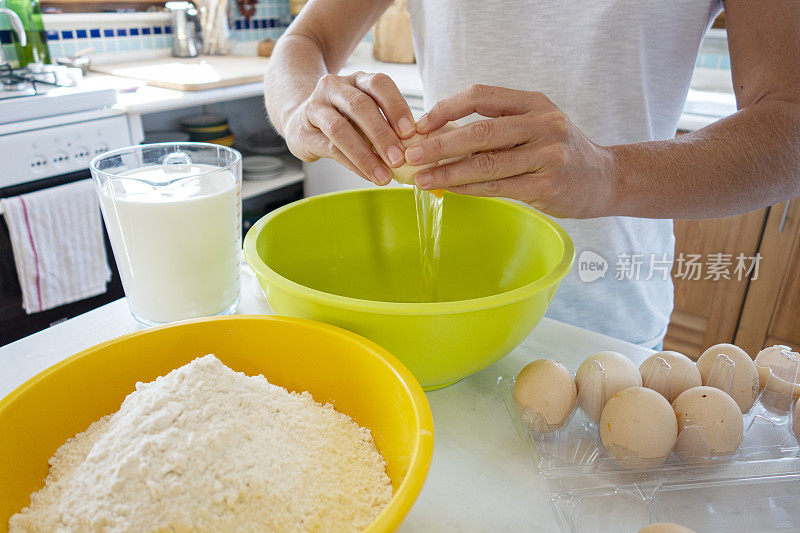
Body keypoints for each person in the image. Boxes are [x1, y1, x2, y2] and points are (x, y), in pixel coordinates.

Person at [264, 0, 800, 349]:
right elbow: (304, 41)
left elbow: (790, 122)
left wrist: (609, 173)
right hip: (439, 322)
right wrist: (298, 112)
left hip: (604, 326)